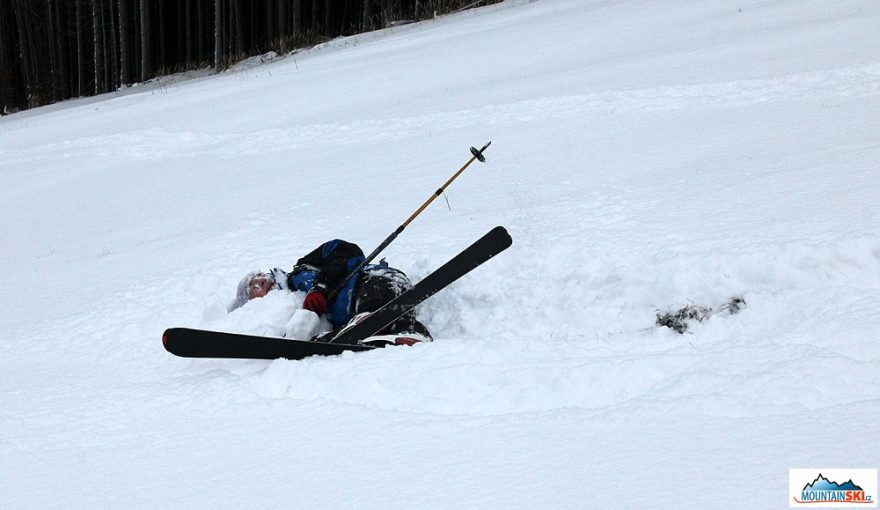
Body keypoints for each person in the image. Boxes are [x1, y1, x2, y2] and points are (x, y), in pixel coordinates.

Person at [229, 239, 432, 344]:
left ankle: (368, 323)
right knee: (396, 324)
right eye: (252, 288)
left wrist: (321, 287)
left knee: (373, 311)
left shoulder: (302, 269)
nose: (259, 283)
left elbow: (347, 250)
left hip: (375, 282)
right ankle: (410, 335)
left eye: (259, 279)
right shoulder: (275, 315)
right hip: (367, 310)